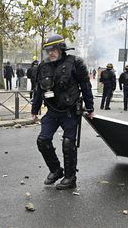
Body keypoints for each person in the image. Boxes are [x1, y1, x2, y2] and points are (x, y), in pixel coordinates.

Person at [31, 34, 94, 190]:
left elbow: (86, 86)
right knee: (43, 140)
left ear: (61, 48)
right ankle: (56, 170)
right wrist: (35, 109)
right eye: (48, 50)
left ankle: (70, 177)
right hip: (52, 111)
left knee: (68, 143)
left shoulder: (75, 63)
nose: (50, 53)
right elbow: (38, 90)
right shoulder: (43, 66)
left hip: (70, 111)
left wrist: (90, 107)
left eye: (53, 49)